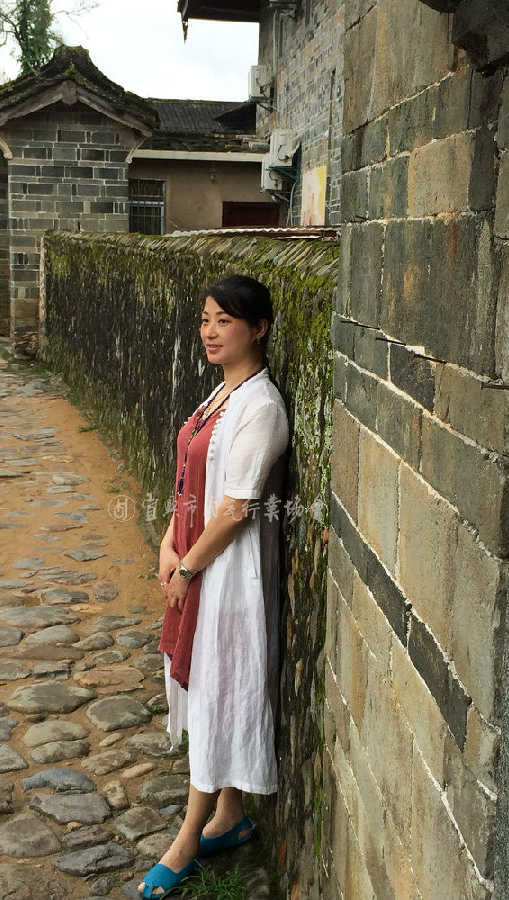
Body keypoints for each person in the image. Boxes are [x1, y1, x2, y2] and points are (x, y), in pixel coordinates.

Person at [139, 274, 290, 899]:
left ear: (259, 328)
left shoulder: (262, 406)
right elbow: (189, 479)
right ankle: (229, 817)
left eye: (225, 320)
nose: (209, 331)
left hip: (226, 575)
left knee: (217, 689)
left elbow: (236, 508)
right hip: (198, 561)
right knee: (211, 683)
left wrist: (189, 567)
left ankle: (187, 841)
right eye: (205, 319)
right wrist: (168, 544)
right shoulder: (219, 397)